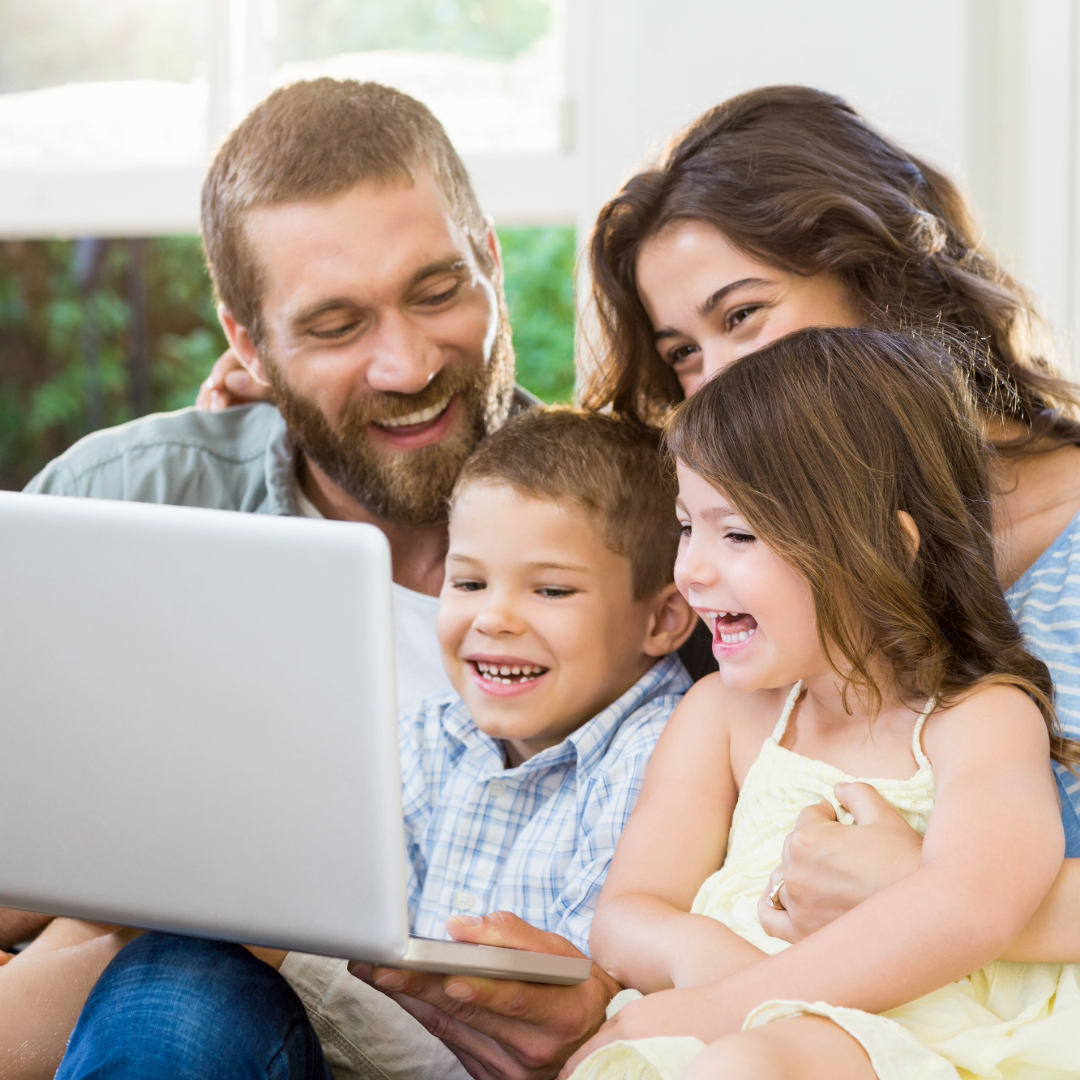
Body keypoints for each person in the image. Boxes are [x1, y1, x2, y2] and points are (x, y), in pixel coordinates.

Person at [13, 79, 639, 1078]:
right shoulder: (124, 500)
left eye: (437, 291)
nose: (404, 363)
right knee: (175, 985)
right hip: (229, 1036)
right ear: (249, 345)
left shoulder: (646, 521)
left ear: (489, 263)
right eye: (337, 326)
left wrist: (615, 1007)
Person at [577, 84, 1080, 956]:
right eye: (684, 356)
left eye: (743, 315)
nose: (719, 377)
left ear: (884, 278)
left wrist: (926, 897)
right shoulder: (748, 572)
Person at [50, 406, 695, 1080]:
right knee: (171, 970)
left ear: (664, 618)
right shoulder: (429, 737)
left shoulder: (669, 762)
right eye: (468, 581)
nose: (493, 618)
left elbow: (539, 1049)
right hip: (358, 1050)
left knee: (185, 979)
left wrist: (285, 953)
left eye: (551, 589)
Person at [561, 325, 1080, 1080]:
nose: (692, 571)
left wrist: (726, 1008)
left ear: (886, 547)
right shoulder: (721, 718)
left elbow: (974, 907)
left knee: (742, 1065)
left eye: (737, 533)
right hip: (720, 1015)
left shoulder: (980, 719)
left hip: (912, 1036)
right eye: (686, 526)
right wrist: (695, 955)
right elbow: (627, 912)